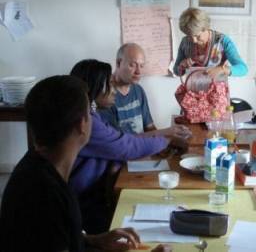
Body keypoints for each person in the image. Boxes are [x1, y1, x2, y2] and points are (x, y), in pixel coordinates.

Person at [0, 75, 171, 252]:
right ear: (82, 124)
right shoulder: (47, 195)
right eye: (91, 112)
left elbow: (57, 237)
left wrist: (93, 240)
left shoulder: (36, 166)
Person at [70, 59, 188, 234]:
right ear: (94, 88)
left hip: (92, 189)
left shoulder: (92, 114)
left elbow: (120, 142)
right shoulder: (87, 121)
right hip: (83, 197)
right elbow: (125, 146)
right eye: (108, 84)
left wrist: (161, 140)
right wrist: (166, 139)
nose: (113, 90)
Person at [99, 43, 191, 139]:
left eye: (142, 66)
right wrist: (167, 132)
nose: (138, 72)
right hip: (123, 152)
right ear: (118, 63)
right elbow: (119, 143)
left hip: (142, 149)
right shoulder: (104, 96)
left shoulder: (138, 90)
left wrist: (170, 137)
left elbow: (150, 128)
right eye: (132, 65)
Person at [173, 7, 248, 78]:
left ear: (206, 28)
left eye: (197, 36)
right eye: (189, 35)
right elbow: (176, 71)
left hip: (216, 88)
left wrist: (223, 69)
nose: (194, 40)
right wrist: (181, 65)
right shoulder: (185, 42)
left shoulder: (222, 41)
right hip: (192, 88)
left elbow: (243, 69)